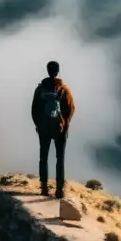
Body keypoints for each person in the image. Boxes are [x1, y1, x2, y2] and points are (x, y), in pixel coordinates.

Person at [31, 60, 75, 198]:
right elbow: (71, 108)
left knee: (43, 157)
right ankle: (59, 190)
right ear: (58, 71)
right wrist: (65, 124)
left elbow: (34, 109)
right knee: (59, 158)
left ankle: (43, 188)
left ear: (47, 71)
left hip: (44, 128)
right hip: (59, 128)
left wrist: (39, 124)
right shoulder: (63, 89)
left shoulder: (40, 89)